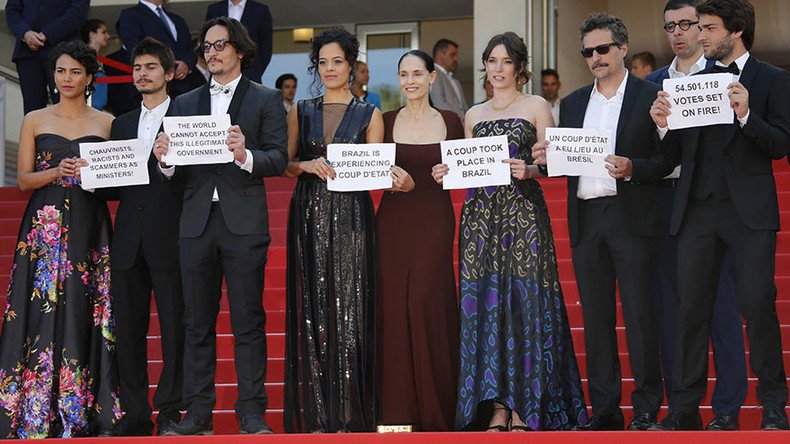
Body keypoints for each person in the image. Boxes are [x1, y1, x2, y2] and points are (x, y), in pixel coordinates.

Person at [433, 32, 587, 432]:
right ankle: (498, 407)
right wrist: (447, 171)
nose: (497, 70)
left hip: (522, 217)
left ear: (519, 67)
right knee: (486, 310)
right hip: (480, 220)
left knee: (526, 306)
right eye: (490, 61)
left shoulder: (536, 105)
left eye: (504, 62)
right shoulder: (472, 115)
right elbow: (468, 166)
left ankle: (526, 406)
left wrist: (533, 168)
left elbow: (556, 162)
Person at [649, 0, 790, 431]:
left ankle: (773, 408)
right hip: (698, 211)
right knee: (691, 310)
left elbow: (781, 144)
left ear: (737, 30)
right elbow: (674, 153)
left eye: (708, 28)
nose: (700, 36)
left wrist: (747, 114)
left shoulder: (772, 79)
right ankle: (685, 410)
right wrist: (662, 126)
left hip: (749, 214)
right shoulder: (694, 82)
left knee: (757, 305)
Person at [532, 13, 671, 431]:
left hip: (631, 216)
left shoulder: (651, 94)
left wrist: (632, 168)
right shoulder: (572, 103)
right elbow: (564, 162)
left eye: (602, 49)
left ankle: (646, 409)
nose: (595, 57)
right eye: (587, 51)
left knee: (640, 315)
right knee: (595, 319)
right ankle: (606, 411)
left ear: (623, 48)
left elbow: (670, 160)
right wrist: (546, 158)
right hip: (587, 217)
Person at [152, 17, 288, 435]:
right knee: (196, 322)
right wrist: (165, 160)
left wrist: (245, 155)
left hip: (243, 223)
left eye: (219, 45)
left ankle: (250, 412)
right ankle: (198, 413)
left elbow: (279, 158)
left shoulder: (265, 99)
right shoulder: (184, 102)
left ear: (240, 51)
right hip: (194, 223)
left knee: (248, 320)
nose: (211, 53)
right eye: (206, 47)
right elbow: (171, 169)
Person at [0, 40, 121, 438]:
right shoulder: (34, 118)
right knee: (39, 311)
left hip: (90, 224)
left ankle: (84, 410)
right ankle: (34, 412)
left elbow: (118, 180)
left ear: (89, 78)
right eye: (60, 71)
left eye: (74, 72)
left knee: (86, 310)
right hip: (44, 225)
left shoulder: (107, 122)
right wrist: (55, 172)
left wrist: (95, 174)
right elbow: (21, 180)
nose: (66, 79)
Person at [644, 0, 746, 431]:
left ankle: (726, 409)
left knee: (720, 310)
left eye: (688, 24)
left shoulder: (722, 78)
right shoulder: (650, 84)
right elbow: (646, 151)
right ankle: (683, 408)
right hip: (665, 204)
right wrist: (661, 126)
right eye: (671, 26)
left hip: (710, 205)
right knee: (672, 313)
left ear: (703, 30)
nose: (680, 32)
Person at [283, 27, 384, 433]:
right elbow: (285, 162)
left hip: (353, 215)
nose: (329, 69)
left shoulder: (371, 113)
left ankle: (349, 412)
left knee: (352, 311)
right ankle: (319, 415)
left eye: (336, 61)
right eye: (322, 62)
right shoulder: (301, 110)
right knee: (314, 312)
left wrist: (387, 172)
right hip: (308, 213)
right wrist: (306, 166)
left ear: (352, 65)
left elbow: (376, 170)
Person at [376, 49, 462, 431]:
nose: (409, 80)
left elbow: (468, 172)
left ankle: (435, 411)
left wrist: (446, 175)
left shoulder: (452, 121)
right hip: (392, 223)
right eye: (403, 74)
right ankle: (396, 414)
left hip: (434, 222)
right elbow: (369, 170)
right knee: (394, 308)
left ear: (432, 78)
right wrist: (393, 181)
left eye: (417, 73)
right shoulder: (385, 119)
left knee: (425, 303)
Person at [104, 37, 185, 437]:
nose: (142, 74)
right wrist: (90, 172)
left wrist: (169, 165)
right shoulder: (118, 123)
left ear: (169, 73)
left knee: (175, 327)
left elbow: (196, 179)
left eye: (151, 67)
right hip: (127, 240)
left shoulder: (187, 119)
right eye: (137, 68)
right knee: (129, 330)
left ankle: (170, 410)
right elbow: (114, 185)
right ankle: (135, 411)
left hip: (171, 236)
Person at [5, 0, 89, 114]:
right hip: (28, 52)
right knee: (32, 110)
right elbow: (12, 10)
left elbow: (78, 12)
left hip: (65, 52)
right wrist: (26, 33)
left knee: (68, 107)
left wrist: (47, 34)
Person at [119, 0, 205, 98]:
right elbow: (138, 49)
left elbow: (191, 48)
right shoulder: (131, 15)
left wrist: (187, 65)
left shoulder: (177, 19)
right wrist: (171, 65)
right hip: (153, 89)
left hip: (185, 88)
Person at [205, 0, 273, 82]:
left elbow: (266, 47)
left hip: (250, 74)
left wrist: (256, 71)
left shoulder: (260, 10)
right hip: (220, 75)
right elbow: (208, 40)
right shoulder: (214, 9)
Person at [430, 38, 467, 118]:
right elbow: (439, 103)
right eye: (452, 55)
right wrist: (457, 121)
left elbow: (463, 107)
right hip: (448, 126)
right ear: (440, 55)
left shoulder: (455, 81)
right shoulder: (433, 75)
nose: (456, 59)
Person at [80, 19, 110, 111]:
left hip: (98, 109)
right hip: (87, 109)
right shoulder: (82, 57)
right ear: (92, 34)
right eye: (103, 32)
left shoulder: (100, 58)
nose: (108, 36)